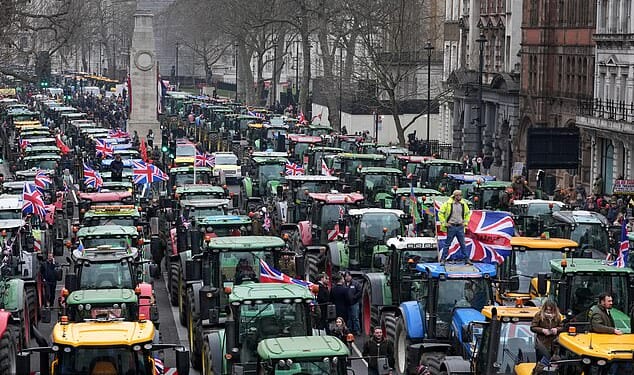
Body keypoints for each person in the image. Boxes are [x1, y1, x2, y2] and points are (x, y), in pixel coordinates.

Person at [438, 190, 472, 264]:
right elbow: (440, 213)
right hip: (451, 226)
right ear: (454, 196)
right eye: (457, 195)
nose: (459, 197)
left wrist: (465, 222)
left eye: (460, 195)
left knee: (463, 244)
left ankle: (467, 259)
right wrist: (445, 223)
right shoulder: (448, 204)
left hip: (460, 227)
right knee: (447, 244)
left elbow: (467, 214)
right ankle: (443, 259)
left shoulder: (463, 204)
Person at [530, 300, 563, 374]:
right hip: (542, 344)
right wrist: (542, 330)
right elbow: (533, 327)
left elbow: (562, 327)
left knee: (552, 364)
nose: (548, 311)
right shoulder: (538, 315)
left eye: (550, 310)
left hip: (554, 344)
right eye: (547, 309)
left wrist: (556, 329)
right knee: (541, 363)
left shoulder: (558, 316)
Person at [344, 271, 362, 335]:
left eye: (348, 276)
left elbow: (360, 291)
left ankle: (357, 330)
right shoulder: (344, 284)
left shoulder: (356, 283)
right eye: (346, 276)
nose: (347, 277)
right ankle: (349, 330)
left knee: (355, 317)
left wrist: (354, 297)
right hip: (346, 303)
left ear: (351, 276)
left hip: (355, 303)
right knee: (349, 318)